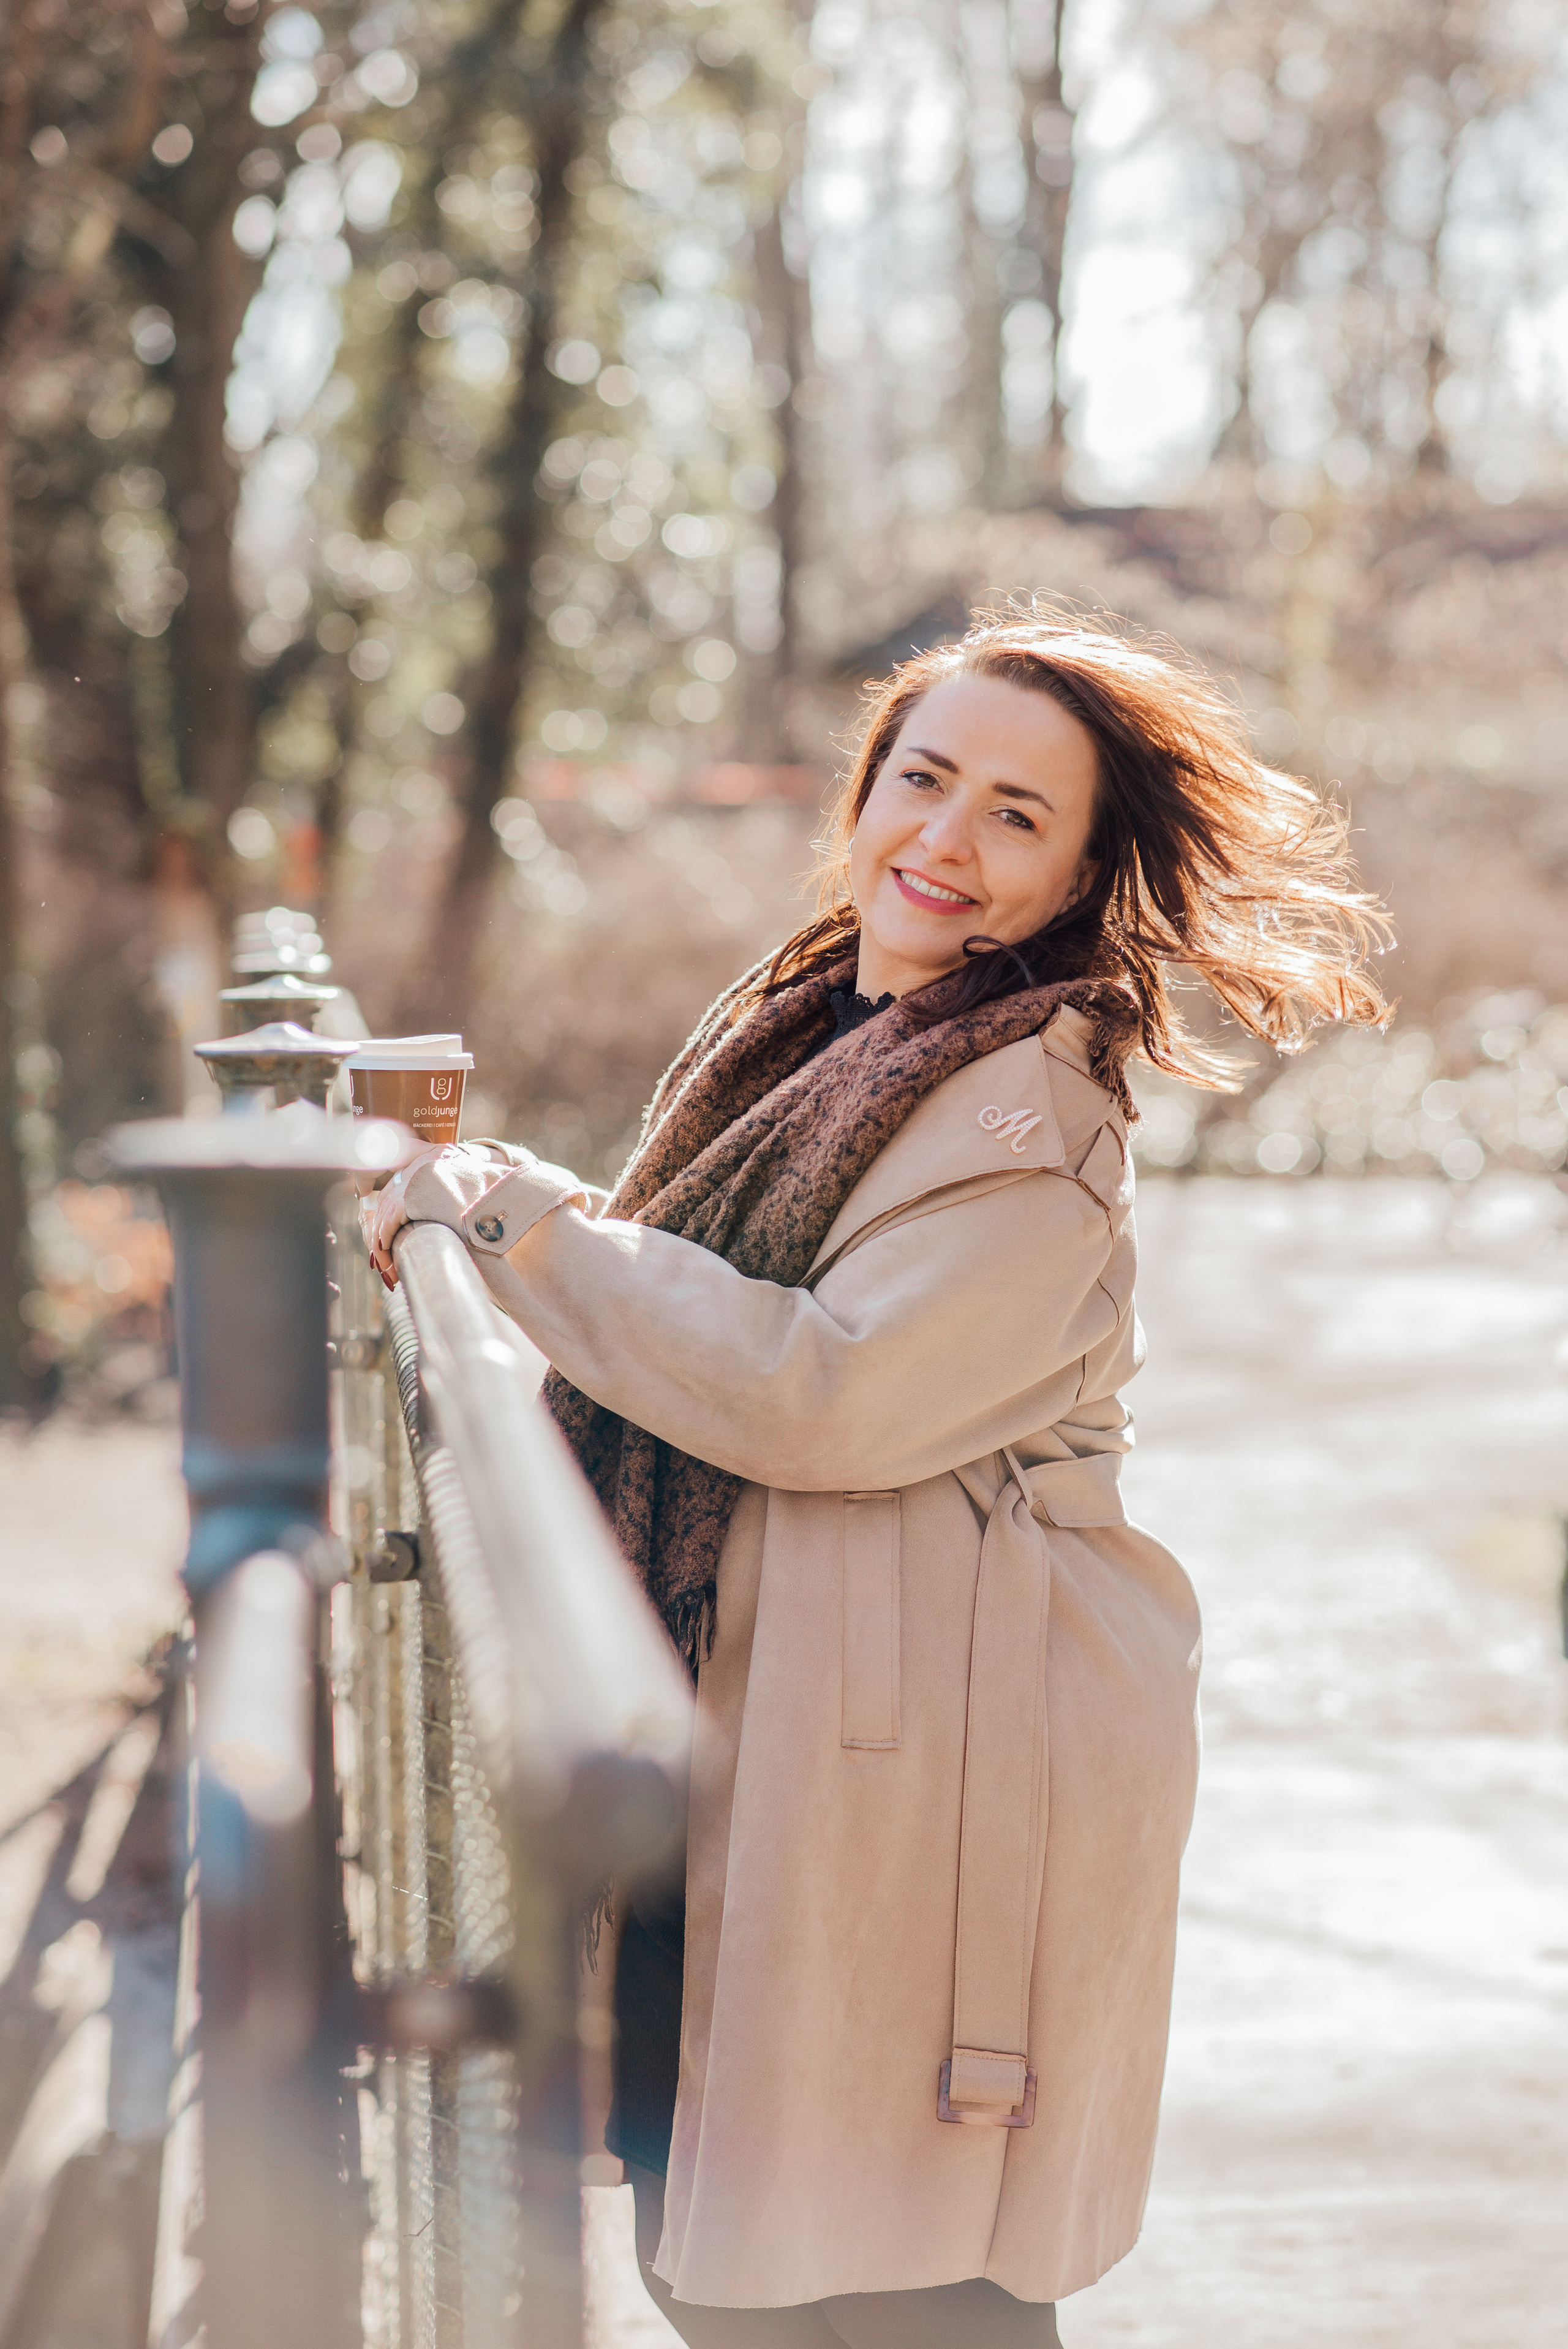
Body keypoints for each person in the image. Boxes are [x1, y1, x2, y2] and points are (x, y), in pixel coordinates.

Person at [367, 610, 1389, 2345]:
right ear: (861, 791)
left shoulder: (1028, 1116)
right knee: (735, 2250)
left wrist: (506, 1215)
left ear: (1075, 875)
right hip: (783, 1706)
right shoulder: (813, 1025)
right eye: (923, 778)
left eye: (1015, 813)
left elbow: (825, 1392)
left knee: (905, 2283)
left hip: (936, 1750)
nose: (944, 838)